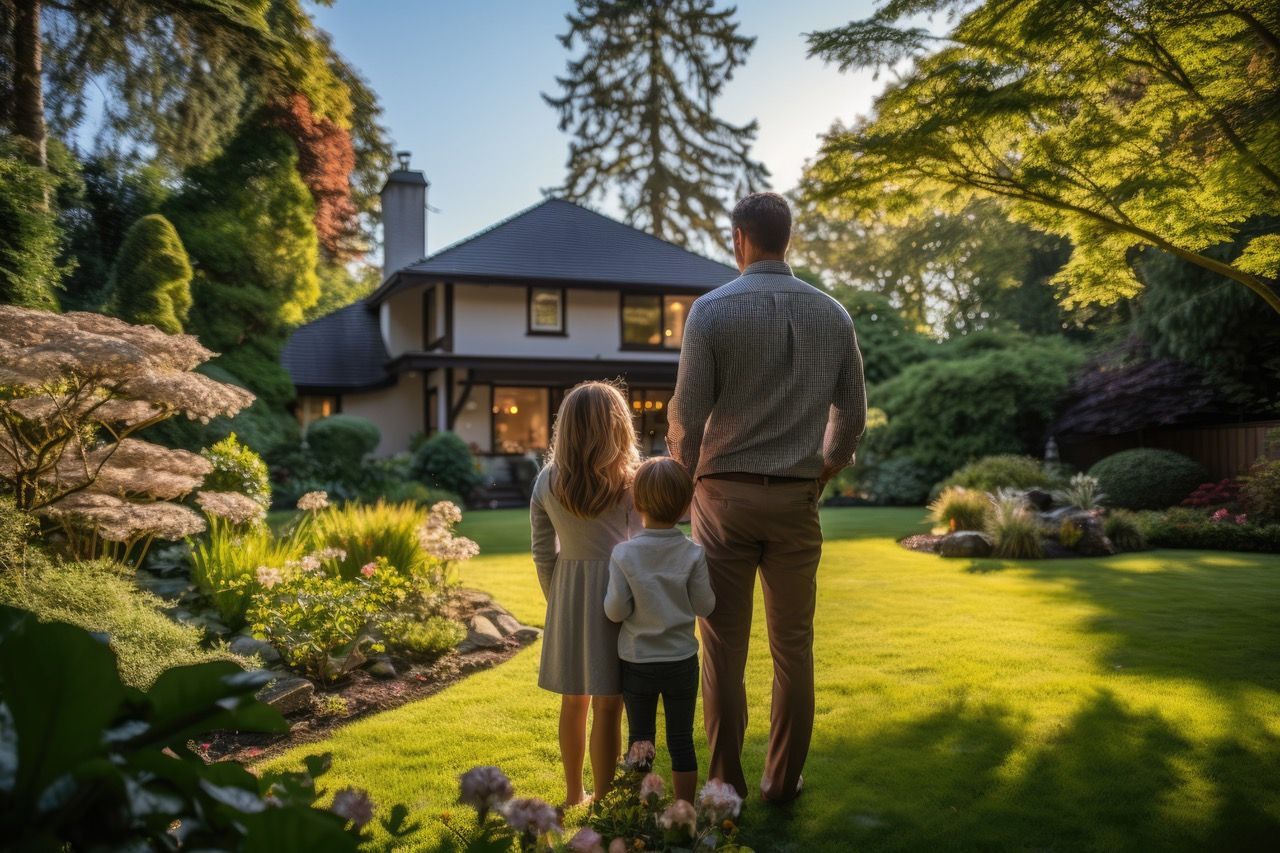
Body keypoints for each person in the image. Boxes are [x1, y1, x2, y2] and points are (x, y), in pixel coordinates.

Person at [667, 191, 867, 803]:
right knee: (793, 648)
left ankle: (725, 782)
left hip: (722, 496)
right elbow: (852, 417)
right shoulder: (833, 314)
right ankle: (783, 782)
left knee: (722, 647)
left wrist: (688, 476)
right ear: (788, 238)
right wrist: (824, 471)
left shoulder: (710, 312)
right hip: (796, 500)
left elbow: (686, 418)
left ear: (738, 238)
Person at [531, 380, 641, 807]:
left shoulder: (547, 481)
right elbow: (640, 546)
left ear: (567, 429)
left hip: (569, 593)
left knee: (573, 701)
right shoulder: (631, 481)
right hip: (620, 594)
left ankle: (575, 793)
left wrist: (556, 596)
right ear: (618, 428)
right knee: (610, 704)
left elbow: (543, 552)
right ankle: (605, 797)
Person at [603, 457, 716, 804]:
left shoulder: (624, 554)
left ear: (637, 503)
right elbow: (705, 607)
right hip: (681, 661)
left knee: (641, 738)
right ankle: (684, 812)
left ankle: (643, 812)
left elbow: (615, 611)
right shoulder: (693, 553)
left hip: (638, 662)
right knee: (681, 739)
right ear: (686, 505)